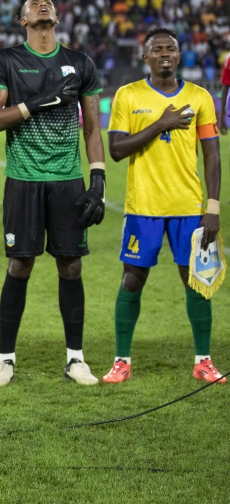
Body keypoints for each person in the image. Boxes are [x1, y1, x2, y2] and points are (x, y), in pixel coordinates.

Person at [0, 0, 107, 387]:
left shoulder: (81, 63)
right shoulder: (6, 60)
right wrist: (36, 102)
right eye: (33, 3)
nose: (42, 4)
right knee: (20, 264)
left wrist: (98, 179)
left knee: (71, 265)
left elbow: (91, 127)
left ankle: (75, 359)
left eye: (47, 2)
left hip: (68, 179)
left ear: (56, 16)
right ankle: (5, 359)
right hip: (23, 179)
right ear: (22, 20)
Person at [102, 29, 223, 385]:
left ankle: (203, 360)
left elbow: (212, 155)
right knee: (133, 279)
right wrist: (161, 123)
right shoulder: (128, 95)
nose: (165, 53)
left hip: (188, 206)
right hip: (143, 207)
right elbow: (117, 150)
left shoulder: (199, 97)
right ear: (146, 57)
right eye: (158, 49)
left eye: (171, 48)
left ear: (180, 55)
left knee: (195, 282)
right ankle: (121, 360)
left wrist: (212, 206)